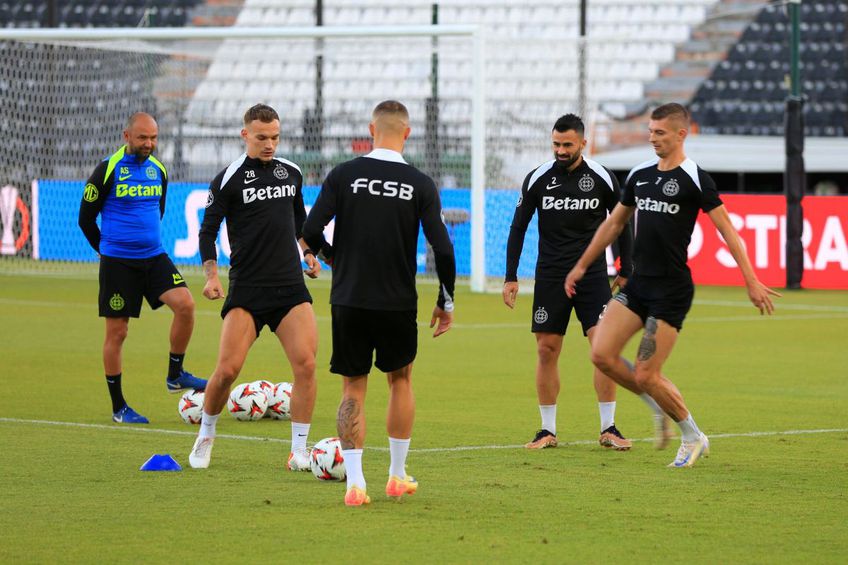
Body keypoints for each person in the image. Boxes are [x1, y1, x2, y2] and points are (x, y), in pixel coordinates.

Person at [565, 103, 781, 467]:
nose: (653, 139)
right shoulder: (639, 174)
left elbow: (728, 232)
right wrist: (582, 265)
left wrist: (751, 280)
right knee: (600, 354)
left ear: (682, 134)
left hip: (671, 291)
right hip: (637, 286)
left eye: (660, 133)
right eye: (650, 132)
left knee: (648, 372)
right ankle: (655, 404)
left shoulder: (695, 179)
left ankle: (693, 436)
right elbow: (614, 224)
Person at [302, 100, 456, 506]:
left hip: (349, 298)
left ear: (372, 129)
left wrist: (332, 256)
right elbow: (443, 248)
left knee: (353, 386)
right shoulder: (420, 183)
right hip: (397, 301)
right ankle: (396, 475)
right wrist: (446, 300)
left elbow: (310, 229)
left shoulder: (344, 174)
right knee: (400, 380)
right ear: (407, 133)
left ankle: (355, 484)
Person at [504, 113, 665, 451]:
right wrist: (510, 276)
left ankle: (609, 427)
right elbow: (518, 226)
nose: (560, 151)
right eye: (555, 144)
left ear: (582, 143)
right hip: (550, 275)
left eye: (567, 145)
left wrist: (626, 267)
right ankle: (547, 430)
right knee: (546, 350)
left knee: (601, 350)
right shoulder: (537, 178)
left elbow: (623, 222)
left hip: (593, 277)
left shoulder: (602, 177)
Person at [188, 104, 321, 472]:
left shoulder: (291, 173)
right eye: (262, 137)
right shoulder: (227, 179)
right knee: (227, 371)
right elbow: (208, 231)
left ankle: (299, 451)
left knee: (307, 366)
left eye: (275, 137)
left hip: (290, 288)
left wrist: (309, 253)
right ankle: (206, 433)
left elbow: (300, 223)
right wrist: (212, 276)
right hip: (247, 289)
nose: (269, 144)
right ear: (245, 134)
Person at [78, 112, 206, 424]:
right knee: (118, 333)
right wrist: (104, 251)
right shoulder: (107, 170)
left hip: (153, 256)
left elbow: (157, 212)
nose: (149, 144)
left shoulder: (158, 170)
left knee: (186, 304)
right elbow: (85, 218)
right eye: (142, 138)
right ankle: (119, 407)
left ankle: (175, 374)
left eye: (153, 138)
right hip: (118, 262)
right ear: (126, 136)